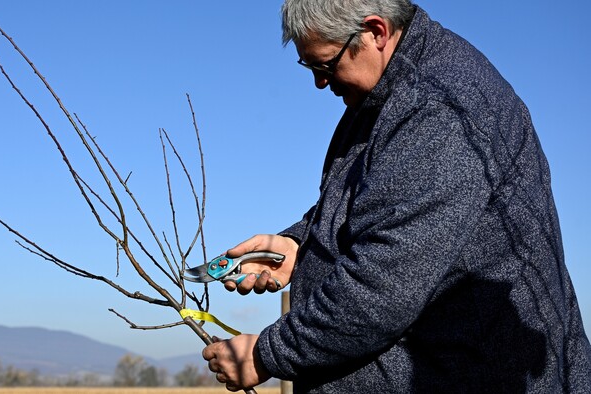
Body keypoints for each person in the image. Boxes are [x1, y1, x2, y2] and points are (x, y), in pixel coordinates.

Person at [202, 0, 591, 392]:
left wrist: (266, 355)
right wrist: (301, 244)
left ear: (375, 32)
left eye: (325, 65)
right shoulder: (383, 97)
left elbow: (382, 287)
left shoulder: (441, 111)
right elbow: (367, 205)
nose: (320, 83)